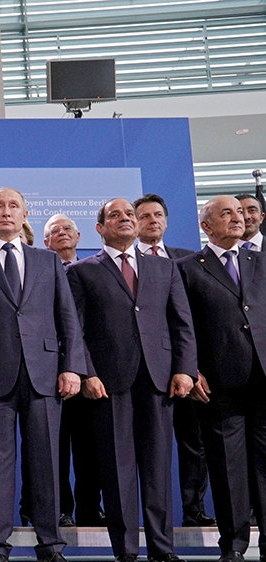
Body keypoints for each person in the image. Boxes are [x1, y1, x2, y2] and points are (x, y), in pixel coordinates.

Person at [0, 187, 86, 562]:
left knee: (47, 464)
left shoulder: (48, 261)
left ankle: (51, 544)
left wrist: (72, 366)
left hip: (44, 374)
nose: (6, 212)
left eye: (13, 206)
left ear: (24, 215)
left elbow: (67, 318)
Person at [66, 198, 196, 562]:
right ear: (99, 228)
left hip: (158, 380)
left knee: (157, 469)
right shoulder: (81, 271)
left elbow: (181, 323)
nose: (124, 219)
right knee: (118, 470)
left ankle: (162, 549)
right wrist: (87, 373)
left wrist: (185, 368)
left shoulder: (164, 269)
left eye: (129, 215)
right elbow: (75, 331)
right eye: (115, 215)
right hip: (109, 384)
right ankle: (125, 551)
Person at [176, 196, 266, 562]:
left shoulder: (260, 260)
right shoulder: (187, 268)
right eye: (226, 212)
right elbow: (181, 324)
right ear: (206, 225)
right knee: (228, 468)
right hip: (218, 383)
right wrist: (190, 368)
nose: (238, 217)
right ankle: (233, 544)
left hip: (263, 378)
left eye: (241, 212)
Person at [133, 193, 214, 528]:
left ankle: (194, 510)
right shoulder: (119, 263)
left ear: (166, 220)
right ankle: (151, 521)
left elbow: (194, 320)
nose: (153, 220)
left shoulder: (190, 261)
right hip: (142, 372)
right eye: (145, 216)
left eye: (158, 215)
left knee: (193, 442)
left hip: (186, 370)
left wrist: (192, 367)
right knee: (148, 450)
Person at [40, 213, 104, 528]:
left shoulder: (94, 272)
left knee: (90, 445)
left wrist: (86, 368)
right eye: (55, 230)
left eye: (68, 228)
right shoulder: (38, 274)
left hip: (90, 370)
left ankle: (91, 509)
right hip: (50, 372)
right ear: (45, 242)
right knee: (55, 447)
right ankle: (61, 510)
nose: (62, 233)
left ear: (79, 237)